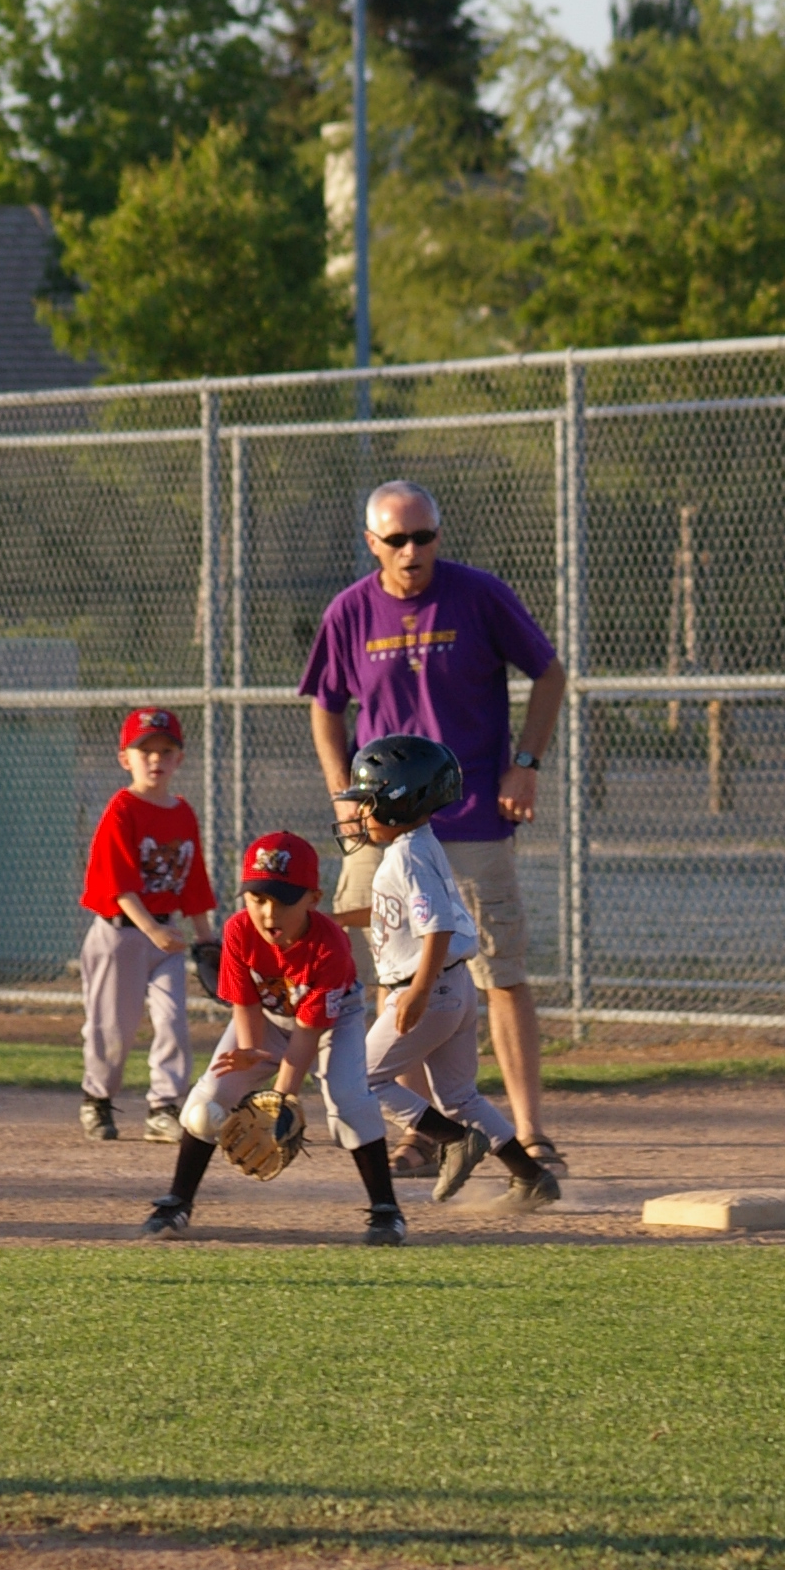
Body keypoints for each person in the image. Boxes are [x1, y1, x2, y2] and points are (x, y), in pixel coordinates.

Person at [300, 480, 566, 1178]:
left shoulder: (478, 595)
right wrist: (342, 792)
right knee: (391, 968)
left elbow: (549, 673)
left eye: (424, 537)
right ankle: (423, 1135)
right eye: (397, 540)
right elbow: (326, 705)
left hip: (472, 813)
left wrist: (525, 766)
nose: (412, 551)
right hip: (381, 824)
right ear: (372, 543)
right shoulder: (350, 610)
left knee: (500, 972)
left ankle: (531, 1134)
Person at [143, 831, 404, 1245]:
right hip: (267, 1017)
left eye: (283, 901)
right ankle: (177, 1202)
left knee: (350, 1104)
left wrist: (282, 1098)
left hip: (334, 1021)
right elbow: (246, 1003)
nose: (268, 913)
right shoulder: (238, 930)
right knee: (205, 1105)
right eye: (258, 898)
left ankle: (387, 1211)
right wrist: (250, 1050)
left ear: (313, 899)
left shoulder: (330, 945)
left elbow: (308, 1031)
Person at [345, 735, 563, 1208]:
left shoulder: (406, 856)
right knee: (460, 1096)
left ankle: (454, 1140)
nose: (360, 813)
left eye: (368, 802)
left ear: (399, 803)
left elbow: (437, 925)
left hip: (427, 989)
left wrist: (419, 992)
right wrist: (330, 919)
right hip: (453, 986)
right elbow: (399, 915)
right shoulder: (419, 845)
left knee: (360, 1079)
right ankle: (531, 1176)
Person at [77, 705, 215, 1142]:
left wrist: (207, 939)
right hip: (119, 934)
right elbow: (119, 884)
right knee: (112, 1029)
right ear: (125, 759)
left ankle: (163, 1106)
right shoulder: (122, 809)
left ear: (180, 758)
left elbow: (193, 880)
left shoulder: (183, 812)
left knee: (174, 1022)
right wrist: (153, 931)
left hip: (165, 936)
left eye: (166, 750)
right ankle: (97, 1099)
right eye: (145, 751)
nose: (156, 759)